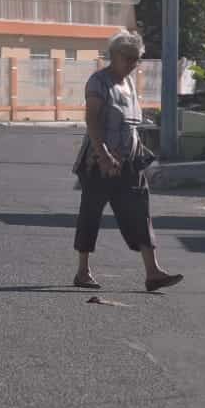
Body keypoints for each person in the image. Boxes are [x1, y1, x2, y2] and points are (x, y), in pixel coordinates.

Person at [73, 30, 183, 293]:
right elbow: (93, 121)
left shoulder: (129, 83)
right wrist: (104, 155)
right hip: (99, 162)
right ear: (114, 56)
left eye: (137, 59)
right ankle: (82, 270)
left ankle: (153, 272)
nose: (133, 64)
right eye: (128, 58)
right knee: (91, 213)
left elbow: (130, 124)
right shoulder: (98, 82)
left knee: (140, 213)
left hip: (130, 161)